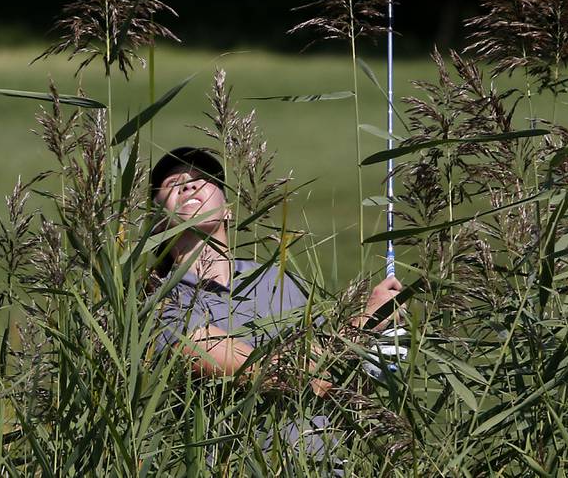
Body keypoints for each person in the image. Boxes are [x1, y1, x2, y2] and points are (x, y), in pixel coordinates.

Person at [148, 147, 403, 466]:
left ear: (228, 209)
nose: (189, 184)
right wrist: (363, 323)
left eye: (203, 178)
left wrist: (380, 346)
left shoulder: (279, 280)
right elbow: (266, 371)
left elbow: (338, 383)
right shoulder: (162, 305)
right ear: (157, 222)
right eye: (174, 183)